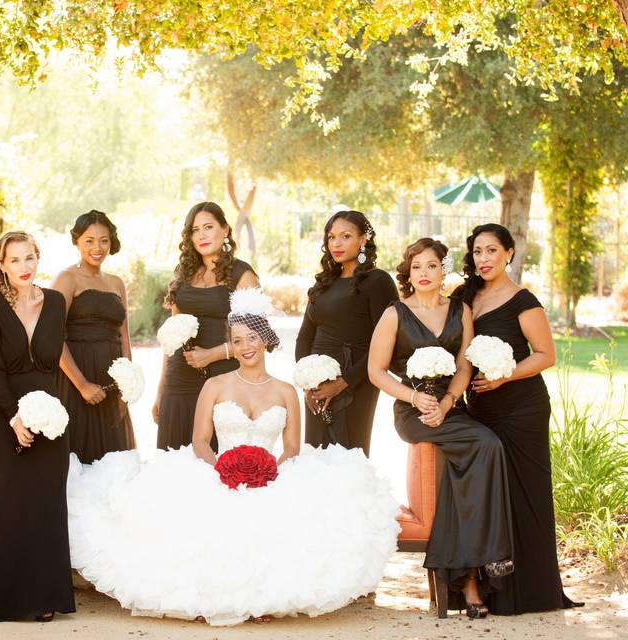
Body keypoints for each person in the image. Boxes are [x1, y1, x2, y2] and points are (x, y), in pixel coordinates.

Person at [68, 289, 400, 625]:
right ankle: (209, 597)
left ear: (266, 338)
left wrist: (269, 471)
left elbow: (291, 448)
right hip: (218, 470)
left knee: (279, 516)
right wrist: (222, 469)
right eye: (237, 340)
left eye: (252, 337)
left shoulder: (286, 391)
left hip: (271, 474)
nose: (245, 347)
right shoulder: (215, 384)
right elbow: (199, 441)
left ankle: (263, 599)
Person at [367, 237, 513, 619]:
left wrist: (448, 402)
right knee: (488, 443)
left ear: (442, 270)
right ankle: (493, 556)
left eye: (432, 266)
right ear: (408, 272)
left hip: (452, 407)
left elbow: (464, 365)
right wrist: (416, 400)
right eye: (417, 267)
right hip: (413, 412)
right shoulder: (395, 314)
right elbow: (375, 371)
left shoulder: (459, 310)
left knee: (467, 461)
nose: (424, 274)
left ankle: (465, 580)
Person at [454, 223, 581, 615]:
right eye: (477, 252)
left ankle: (531, 592)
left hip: (521, 409)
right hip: (479, 410)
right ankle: (488, 586)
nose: (484, 259)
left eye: (492, 250)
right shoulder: (465, 297)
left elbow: (546, 354)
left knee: (525, 494)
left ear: (509, 253)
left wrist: (504, 374)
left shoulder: (523, 300)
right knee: (490, 498)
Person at [0, 231, 75, 622]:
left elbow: (52, 366)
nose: (24, 266)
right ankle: (6, 599)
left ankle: (45, 595)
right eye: (14, 260)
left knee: (47, 503)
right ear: (1, 265)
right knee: (11, 500)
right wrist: (12, 415)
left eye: (30, 257)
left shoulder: (56, 302)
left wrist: (53, 414)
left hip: (50, 416)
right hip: (2, 415)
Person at [152, 201, 258, 451]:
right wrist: (161, 390)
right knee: (176, 458)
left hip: (225, 377)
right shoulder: (183, 273)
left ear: (225, 230)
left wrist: (212, 354)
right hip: (180, 378)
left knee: (218, 459)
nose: (201, 235)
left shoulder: (243, 275)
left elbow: (258, 338)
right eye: (195, 230)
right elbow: (171, 338)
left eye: (208, 227)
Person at [295, 210, 398, 455]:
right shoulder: (323, 284)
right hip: (317, 385)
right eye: (331, 237)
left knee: (349, 455)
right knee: (316, 456)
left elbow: (385, 342)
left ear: (363, 239)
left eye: (345, 236)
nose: (336, 244)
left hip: (356, 381)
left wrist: (343, 383)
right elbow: (304, 336)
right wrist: (308, 381)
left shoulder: (378, 281)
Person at [54, 210, 136, 464]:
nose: (97, 247)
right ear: (77, 241)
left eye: (103, 240)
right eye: (89, 240)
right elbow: (52, 338)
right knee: (80, 457)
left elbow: (124, 337)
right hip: (76, 379)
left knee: (112, 462)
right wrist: (81, 385)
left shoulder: (116, 283)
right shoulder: (66, 279)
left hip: (111, 380)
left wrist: (127, 387)